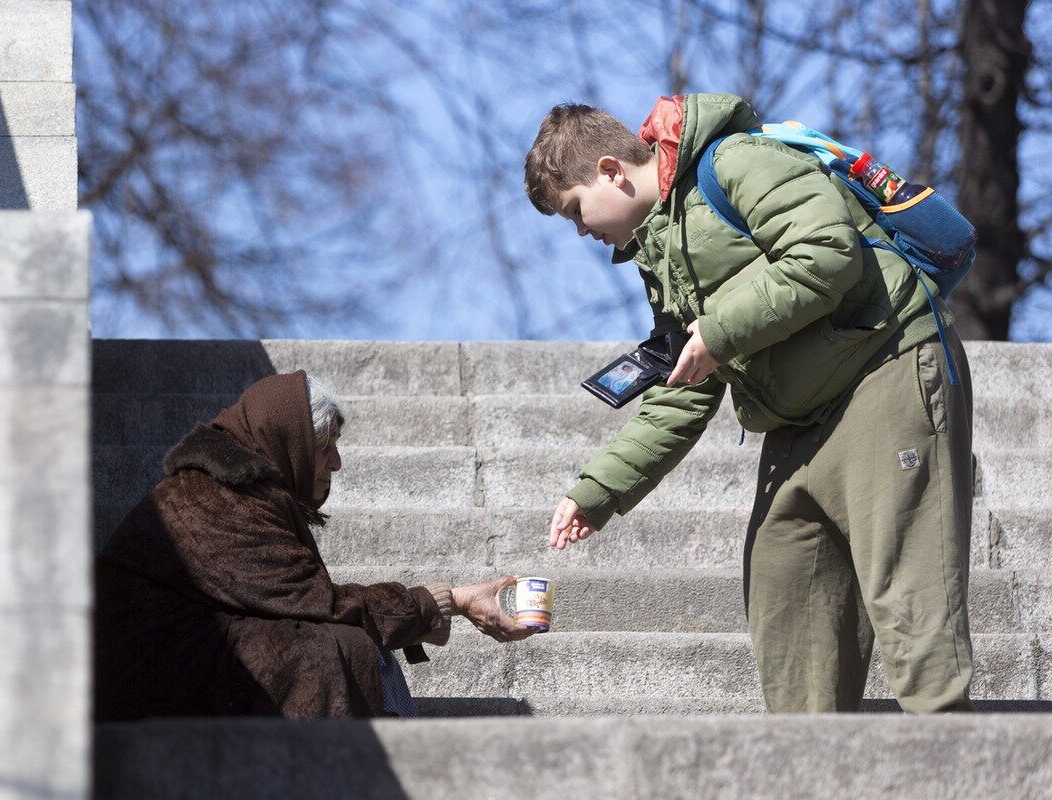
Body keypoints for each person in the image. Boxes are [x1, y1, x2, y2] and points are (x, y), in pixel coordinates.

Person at [524, 92, 974, 713]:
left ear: (608, 171)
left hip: (886, 369)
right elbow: (685, 390)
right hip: (797, 422)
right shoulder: (660, 250)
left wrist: (717, 330)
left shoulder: (735, 160)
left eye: (575, 212)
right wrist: (595, 492)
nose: (582, 232)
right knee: (787, 605)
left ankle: (956, 762)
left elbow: (826, 251)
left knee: (913, 607)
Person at [94, 370, 534, 721]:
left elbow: (307, 601)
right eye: (327, 447)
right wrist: (450, 600)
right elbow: (319, 603)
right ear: (292, 442)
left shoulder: (239, 490)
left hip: (170, 660)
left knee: (354, 648)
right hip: (135, 675)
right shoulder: (211, 497)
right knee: (337, 652)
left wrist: (441, 604)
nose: (337, 463)